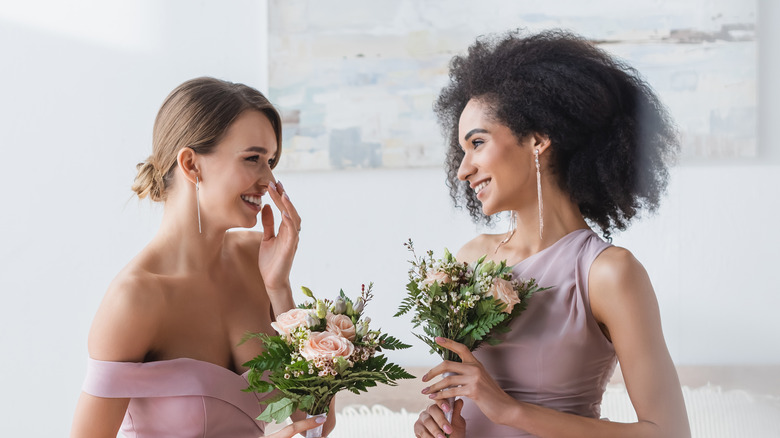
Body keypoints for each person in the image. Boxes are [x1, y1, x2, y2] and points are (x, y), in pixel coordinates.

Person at [413, 30, 691, 438]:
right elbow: (464, 400)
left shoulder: (609, 273)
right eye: (462, 149)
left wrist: (509, 411)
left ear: (539, 139)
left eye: (477, 143)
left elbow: (669, 432)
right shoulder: (469, 260)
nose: (463, 168)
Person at [70, 77, 335, 438]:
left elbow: (315, 420)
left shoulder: (257, 260)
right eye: (253, 159)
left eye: (271, 161)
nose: (268, 180)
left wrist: (278, 286)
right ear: (192, 165)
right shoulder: (136, 298)